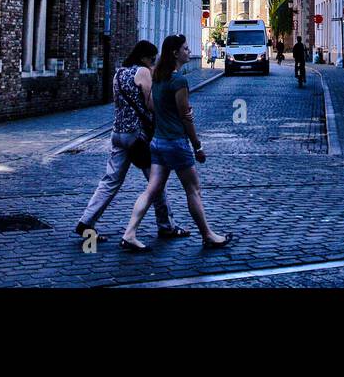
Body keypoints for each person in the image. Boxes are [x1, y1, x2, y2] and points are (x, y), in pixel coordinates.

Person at [121, 35, 232, 251]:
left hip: (158, 143)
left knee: (151, 190)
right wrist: (197, 146)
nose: (189, 52)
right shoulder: (178, 81)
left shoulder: (158, 77)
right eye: (185, 49)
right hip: (176, 143)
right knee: (193, 190)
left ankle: (129, 233)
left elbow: (153, 106)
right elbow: (185, 117)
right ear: (175, 53)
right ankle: (208, 235)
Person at [76, 40, 189, 243]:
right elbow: (150, 103)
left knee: (110, 180)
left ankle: (86, 221)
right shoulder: (142, 72)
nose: (154, 63)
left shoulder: (119, 73)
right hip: (138, 137)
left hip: (118, 133)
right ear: (145, 57)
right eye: (152, 59)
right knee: (156, 182)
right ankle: (166, 225)